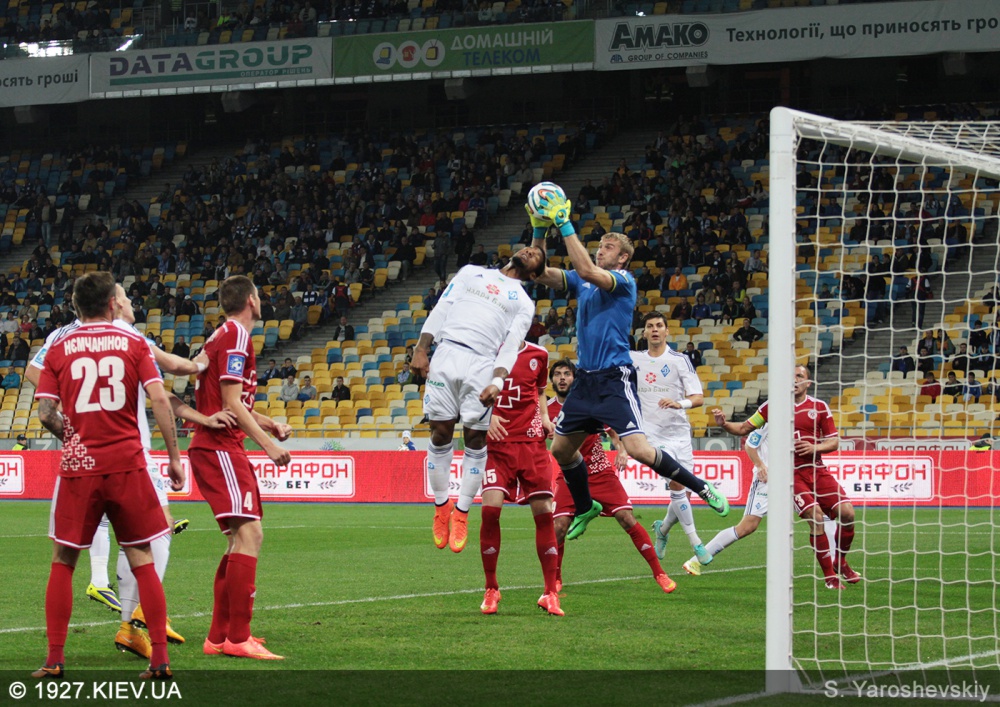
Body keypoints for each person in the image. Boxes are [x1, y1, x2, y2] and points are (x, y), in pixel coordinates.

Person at [527, 195, 729, 542]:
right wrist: (539, 229)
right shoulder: (582, 281)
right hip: (585, 380)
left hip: (614, 379)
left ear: (622, 257)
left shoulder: (623, 280)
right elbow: (538, 271)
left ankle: (700, 486)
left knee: (638, 450)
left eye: (607, 247)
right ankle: (585, 505)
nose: (600, 250)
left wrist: (564, 223)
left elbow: (587, 270)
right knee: (559, 451)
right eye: (599, 246)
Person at [33, 271, 183, 679]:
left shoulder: (59, 346)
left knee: (64, 560)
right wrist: (174, 457)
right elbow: (159, 399)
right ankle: (159, 661)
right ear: (113, 303)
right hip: (128, 463)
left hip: (80, 467)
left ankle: (54, 660)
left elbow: (45, 413)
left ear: (75, 305)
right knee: (142, 559)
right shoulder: (134, 342)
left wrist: (76, 439)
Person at [410, 244, 545, 554]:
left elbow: (511, 346)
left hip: (483, 362)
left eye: (536, 255)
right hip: (447, 352)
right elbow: (442, 308)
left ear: (535, 273)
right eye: (528, 248)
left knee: (474, 438)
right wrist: (421, 348)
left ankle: (462, 512)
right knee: (440, 432)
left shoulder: (523, 302)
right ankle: (441, 506)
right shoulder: (471, 272)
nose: (529, 251)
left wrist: (498, 380)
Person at [189, 275, 291, 660]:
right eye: (259, 295)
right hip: (219, 447)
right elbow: (231, 402)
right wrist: (267, 445)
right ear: (251, 300)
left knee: (238, 539)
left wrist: (269, 423)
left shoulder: (220, 336)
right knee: (251, 535)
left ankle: (219, 637)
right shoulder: (236, 336)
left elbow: (232, 402)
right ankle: (238, 637)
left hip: (218, 446)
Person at [712, 365, 860, 589]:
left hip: (816, 469)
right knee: (816, 517)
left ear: (808, 383)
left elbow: (834, 441)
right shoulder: (772, 406)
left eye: (799, 376)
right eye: (791, 376)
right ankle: (830, 577)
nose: (794, 380)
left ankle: (840, 561)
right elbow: (743, 428)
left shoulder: (819, 407)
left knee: (848, 513)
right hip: (790, 475)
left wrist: (814, 447)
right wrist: (724, 424)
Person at [548, 359, 674, 595]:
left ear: (575, 378)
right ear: (552, 380)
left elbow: (614, 432)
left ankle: (659, 573)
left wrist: (622, 450)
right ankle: (555, 580)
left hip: (599, 472)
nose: (562, 378)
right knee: (559, 526)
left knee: (626, 517)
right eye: (557, 374)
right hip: (568, 475)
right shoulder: (546, 410)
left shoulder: (588, 402)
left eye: (567, 373)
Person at [479, 342, 563, 615]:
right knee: (490, 512)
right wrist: (485, 418)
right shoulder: (484, 351)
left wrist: (545, 419)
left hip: (531, 445)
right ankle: (491, 588)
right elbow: (469, 391)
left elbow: (539, 392)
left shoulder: (539, 354)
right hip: (498, 445)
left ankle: (550, 593)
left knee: (544, 515)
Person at [631, 313, 712, 568]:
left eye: (659, 326)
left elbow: (698, 397)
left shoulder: (680, 360)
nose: (654, 330)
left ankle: (663, 529)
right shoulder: (633, 359)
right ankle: (696, 543)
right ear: (644, 333)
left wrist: (680, 403)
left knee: (683, 493)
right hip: (652, 436)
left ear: (667, 331)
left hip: (679, 434)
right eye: (650, 326)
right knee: (677, 484)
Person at [682, 423, 769, 575]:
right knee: (747, 526)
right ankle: (696, 560)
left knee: (812, 514)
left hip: (796, 477)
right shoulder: (769, 418)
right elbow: (750, 444)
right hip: (767, 479)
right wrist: (760, 465)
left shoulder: (804, 416)